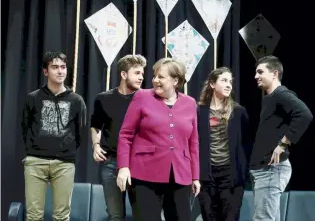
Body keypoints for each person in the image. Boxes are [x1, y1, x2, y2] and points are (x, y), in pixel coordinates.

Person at [116, 58, 201, 221]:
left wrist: (195, 176)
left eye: (161, 77)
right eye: (155, 76)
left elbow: (193, 143)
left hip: (180, 175)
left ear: (175, 81)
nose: (155, 80)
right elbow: (125, 135)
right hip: (144, 173)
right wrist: (123, 167)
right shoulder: (142, 96)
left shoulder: (190, 103)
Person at [21, 51, 87, 221]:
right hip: (35, 162)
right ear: (45, 71)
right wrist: (32, 153)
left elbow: (81, 131)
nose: (60, 71)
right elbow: (25, 128)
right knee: (33, 215)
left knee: (62, 216)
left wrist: (67, 150)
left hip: (64, 163)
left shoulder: (76, 100)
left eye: (63, 67)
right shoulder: (33, 98)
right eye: (55, 67)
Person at [250, 56, 313, 221]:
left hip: (271, 169)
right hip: (264, 170)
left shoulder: (281, 94)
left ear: (274, 73)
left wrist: (284, 143)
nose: (256, 76)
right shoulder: (269, 98)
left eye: (260, 72)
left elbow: (304, 114)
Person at [90, 54, 146, 220]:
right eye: (136, 73)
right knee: (115, 215)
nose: (141, 77)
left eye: (142, 74)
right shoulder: (103, 98)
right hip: (110, 163)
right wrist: (95, 146)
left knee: (142, 215)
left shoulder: (146, 99)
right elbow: (95, 126)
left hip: (139, 163)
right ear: (123, 74)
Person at [197, 67, 252, 221]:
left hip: (231, 176)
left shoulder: (238, 112)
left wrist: (242, 166)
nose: (229, 85)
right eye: (224, 80)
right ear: (212, 84)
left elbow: (247, 142)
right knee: (209, 217)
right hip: (207, 177)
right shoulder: (199, 112)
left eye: (230, 82)